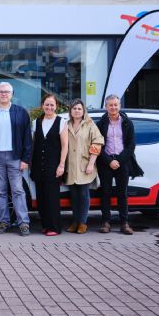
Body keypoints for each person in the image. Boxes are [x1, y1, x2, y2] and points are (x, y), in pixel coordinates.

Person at [0, 82, 32, 236]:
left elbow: (27, 138)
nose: (3, 94)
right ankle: (4, 221)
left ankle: (23, 222)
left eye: (6, 92)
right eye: (1, 92)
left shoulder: (21, 112)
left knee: (18, 190)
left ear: (12, 94)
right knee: (0, 191)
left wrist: (25, 159)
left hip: (15, 157)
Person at [96, 95, 143, 235]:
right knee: (105, 193)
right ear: (106, 107)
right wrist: (109, 161)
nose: (113, 107)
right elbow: (98, 145)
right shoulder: (100, 124)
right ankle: (106, 222)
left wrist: (119, 160)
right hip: (106, 162)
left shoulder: (128, 123)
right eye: (110, 105)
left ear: (119, 105)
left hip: (123, 162)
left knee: (122, 194)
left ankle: (124, 223)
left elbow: (131, 145)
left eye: (116, 105)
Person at [65, 99, 104, 235]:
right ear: (71, 111)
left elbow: (97, 143)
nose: (77, 111)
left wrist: (91, 163)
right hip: (71, 166)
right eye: (74, 108)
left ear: (83, 111)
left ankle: (82, 222)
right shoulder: (67, 124)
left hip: (85, 165)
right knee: (74, 196)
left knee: (83, 195)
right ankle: (75, 221)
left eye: (79, 109)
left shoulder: (90, 125)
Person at [31, 94, 68, 236]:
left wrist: (61, 165)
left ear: (56, 106)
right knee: (41, 198)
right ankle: (45, 225)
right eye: (47, 104)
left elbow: (65, 146)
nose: (49, 107)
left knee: (52, 197)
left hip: (53, 165)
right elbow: (34, 143)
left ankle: (54, 227)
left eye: (52, 105)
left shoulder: (61, 122)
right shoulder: (36, 122)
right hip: (38, 165)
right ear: (42, 106)